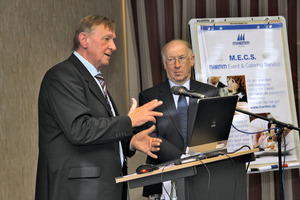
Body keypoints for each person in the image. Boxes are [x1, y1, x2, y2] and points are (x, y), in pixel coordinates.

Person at [35, 15, 164, 200]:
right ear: (84, 39)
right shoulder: (62, 76)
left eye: (114, 40)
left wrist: (130, 142)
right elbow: (79, 129)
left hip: (104, 188)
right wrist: (130, 121)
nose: (113, 46)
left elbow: (99, 131)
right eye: (107, 39)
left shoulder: (95, 80)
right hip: (79, 190)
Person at [138, 39, 218, 197]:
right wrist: (183, 160)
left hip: (204, 175)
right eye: (171, 59)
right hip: (163, 178)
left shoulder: (209, 93)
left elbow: (213, 133)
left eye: (182, 58)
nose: (177, 65)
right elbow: (150, 137)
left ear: (192, 60)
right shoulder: (149, 97)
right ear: (164, 63)